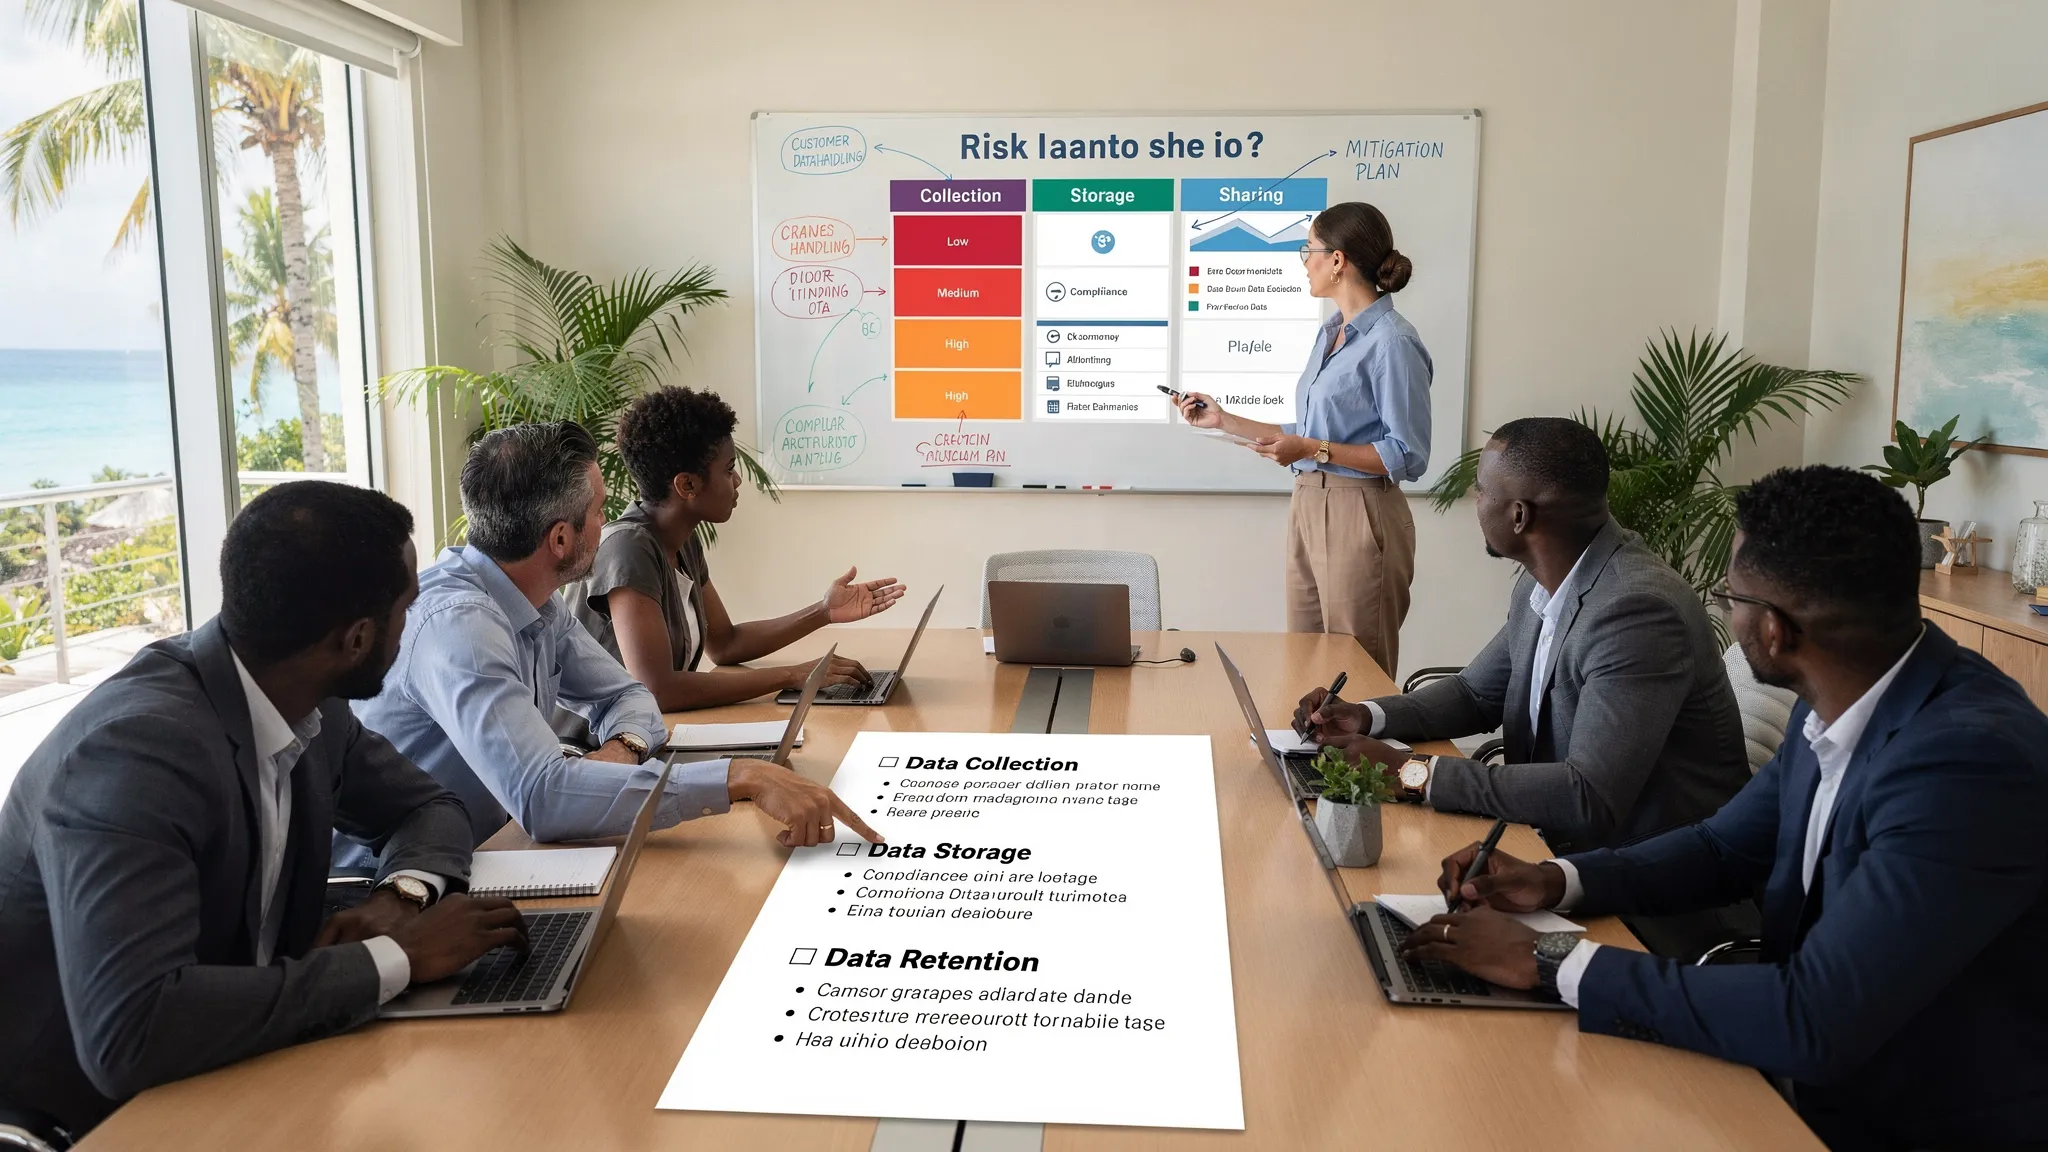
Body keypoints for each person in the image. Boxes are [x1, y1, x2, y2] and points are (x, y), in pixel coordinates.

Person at [1402, 466, 2048, 1152]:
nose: (1727, 614)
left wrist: (1549, 960)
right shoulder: (1850, 689)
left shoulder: (1965, 766)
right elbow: (1722, 847)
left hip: (1918, 1121)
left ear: (1774, 631)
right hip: (1819, 1082)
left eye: (1729, 597)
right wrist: (1557, 879)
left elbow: (1815, 1018)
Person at [0, 483, 525, 1142]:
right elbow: (131, 1033)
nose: (411, 628)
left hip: (246, 1057)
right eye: (407, 609)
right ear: (356, 638)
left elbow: (426, 806)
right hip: (89, 1119)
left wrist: (403, 895)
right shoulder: (134, 756)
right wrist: (397, 959)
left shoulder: (303, 697)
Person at [343, 421, 878, 873]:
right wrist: (738, 775)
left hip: (492, 850)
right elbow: (545, 800)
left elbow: (631, 697)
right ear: (560, 539)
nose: (607, 522)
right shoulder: (461, 628)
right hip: (397, 887)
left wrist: (624, 748)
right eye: (599, 511)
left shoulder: (532, 599)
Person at [1297, 417, 1749, 856]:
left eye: (1481, 490)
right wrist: (1365, 716)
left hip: (1641, 884)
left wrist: (1413, 773)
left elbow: (1586, 796)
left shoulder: (1635, 611)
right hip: (1546, 846)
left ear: (1519, 515)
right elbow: (1475, 694)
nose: (1475, 500)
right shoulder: (1544, 581)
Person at [1174, 201, 1431, 676]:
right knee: (1305, 664)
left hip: (1361, 510)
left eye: (1306, 250)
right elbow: (1304, 435)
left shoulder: (1392, 341)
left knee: (1356, 674)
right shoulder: (1329, 334)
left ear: (1337, 260)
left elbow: (1406, 453)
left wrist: (1313, 450)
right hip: (1308, 503)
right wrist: (1223, 420)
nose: (1303, 261)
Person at [567, 385, 901, 711]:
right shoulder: (628, 547)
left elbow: (725, 644)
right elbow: (658, 690)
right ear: (687, 485)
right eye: (728, 469)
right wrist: (796, 675)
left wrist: (823, 611)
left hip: (640, 737)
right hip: (591, 752)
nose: (738, 480)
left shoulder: (681, 541)